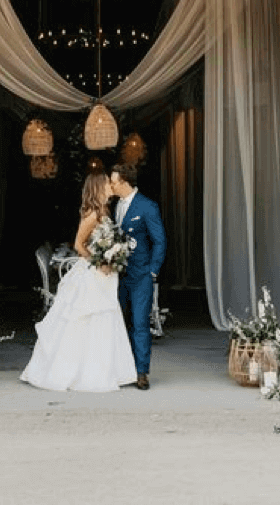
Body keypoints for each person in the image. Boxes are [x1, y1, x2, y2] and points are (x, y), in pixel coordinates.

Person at [20, 170, 137, 392]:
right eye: (107, 184)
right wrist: (99, 260)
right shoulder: (92, 214)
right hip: (92, 274)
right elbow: (78, 245)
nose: (111, 187)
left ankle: (108, 369)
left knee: (106, 319)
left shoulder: (104, 210)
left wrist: (114, 254)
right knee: (89, 319)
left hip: (106, 274)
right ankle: (81, 372)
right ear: (97, 187)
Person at [110, 161, 166, 390]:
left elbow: (159, 241)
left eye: (113, 182)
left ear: (124, 182)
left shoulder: (147, 206)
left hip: (141, 275)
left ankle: (142, 372)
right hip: (118, 275)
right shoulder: (117, 206)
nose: (110, 186)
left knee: (140, 323)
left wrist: (152, 271)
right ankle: (122, 369)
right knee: (118, 321)